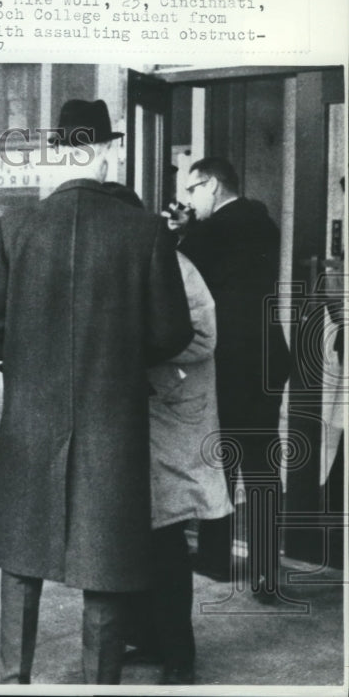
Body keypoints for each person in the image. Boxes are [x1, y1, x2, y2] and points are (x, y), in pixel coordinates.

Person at [0, 99, 194, 684]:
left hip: (30, 420)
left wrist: (28, 361)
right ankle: (100, 683)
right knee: (105, 565)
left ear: (58, 153)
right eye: (112, 147)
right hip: (112, 421)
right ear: (101, 152)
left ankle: (14, 678)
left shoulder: (13, 228)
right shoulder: (144, 231)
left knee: (21, 560)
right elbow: (173, 331)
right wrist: (122, 358)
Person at [173, 157, 291, 600]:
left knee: (218, 463)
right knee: (262, 468)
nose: (188, 200)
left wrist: (182, 230)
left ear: (214, 186)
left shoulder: (211, 232)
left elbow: (180, 272)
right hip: (264, 358)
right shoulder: (263, 222)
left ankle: (215, 559)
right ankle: (265, 573)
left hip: (226, 362)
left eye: (192, 190)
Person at [128, 251, 233, 685]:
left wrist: (130, 349)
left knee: (165, 534)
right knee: (138, 536)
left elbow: (203, 336)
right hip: (138, 409)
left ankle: (178, 656)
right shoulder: (131, 256)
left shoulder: (173, 263)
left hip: (170, 407)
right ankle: (150, 638)